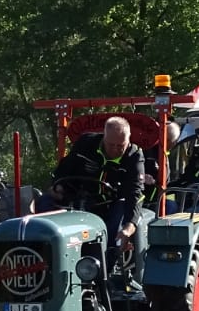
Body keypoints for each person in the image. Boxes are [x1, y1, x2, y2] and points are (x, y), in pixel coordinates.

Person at [53, 115, 148, 270]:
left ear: (128, 140)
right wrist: (58, 187)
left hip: (111, 204)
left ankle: (106, 266)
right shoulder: (85, 143)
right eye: (111, 145)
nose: (115, 149)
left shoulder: (134, 155)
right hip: (78, 198)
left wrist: (130, 225)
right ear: (104, 137)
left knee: (118, 216)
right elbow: (64, 169)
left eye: (121, 145)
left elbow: (135, 192)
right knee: (44, 204)